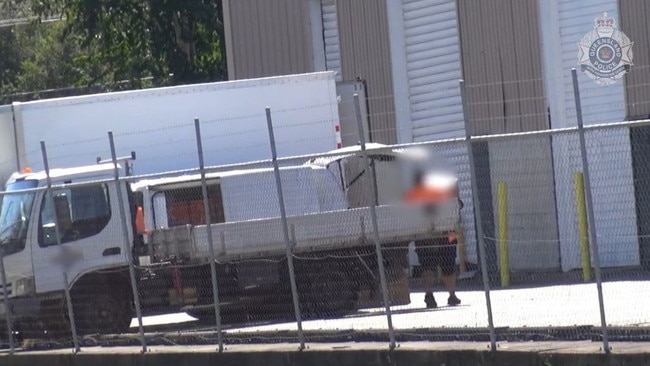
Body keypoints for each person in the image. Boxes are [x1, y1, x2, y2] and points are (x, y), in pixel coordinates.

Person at [403, 170, 461, 309]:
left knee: (427, 265)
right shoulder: (448, 191)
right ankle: (451, 295)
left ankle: (429, 295)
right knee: (448, 263)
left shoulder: (415, 196)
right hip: (448, 233)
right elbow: (457, 209)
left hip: (424, 233)